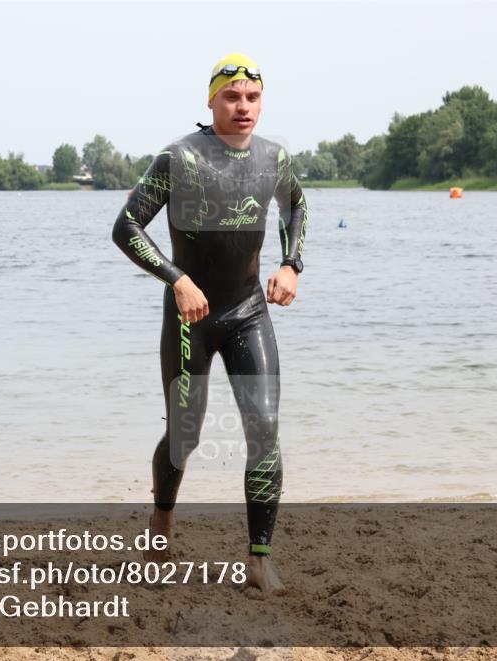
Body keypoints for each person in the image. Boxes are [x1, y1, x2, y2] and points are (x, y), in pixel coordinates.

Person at [111, 53, 307, 593]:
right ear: (211, 100)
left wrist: (291, 264)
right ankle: (162, 518)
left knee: (264, 429)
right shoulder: (179, 158)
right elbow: (126, 227)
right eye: (232, 97)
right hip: (189, 317)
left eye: (252, 98)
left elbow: (295, 208)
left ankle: (260, 558)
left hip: (248, 311)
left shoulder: (275, 158)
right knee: (186, 432)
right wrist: (176, 278)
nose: (243, 107)